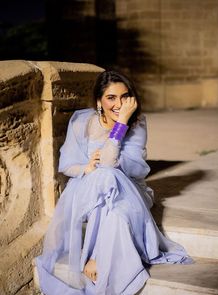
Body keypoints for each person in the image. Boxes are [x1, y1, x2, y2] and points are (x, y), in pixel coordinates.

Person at [36, 70, 192, 295]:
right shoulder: (83, 122)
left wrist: (121, 124)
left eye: (124, 96)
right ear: (99, 101)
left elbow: (110, 163)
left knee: (114, 199)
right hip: (90, 191)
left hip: (130, 191)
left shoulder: (136, 123)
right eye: (111, 98)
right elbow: (67, 165)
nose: (119, 103)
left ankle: (97, 258)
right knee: (103, 176)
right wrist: (86, 168)